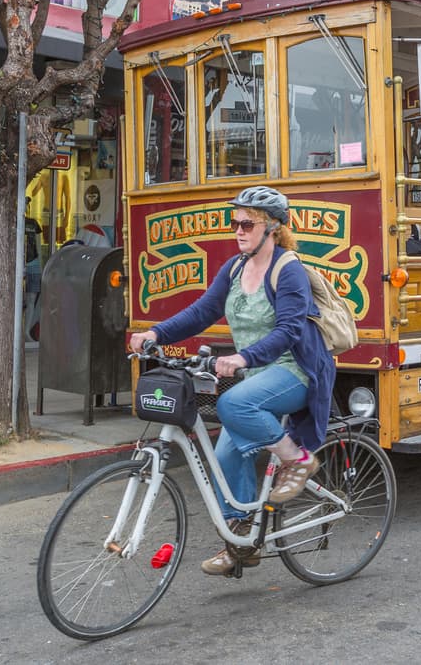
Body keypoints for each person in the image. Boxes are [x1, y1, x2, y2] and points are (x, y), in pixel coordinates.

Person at [128, 185, 335, 577]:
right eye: (234, 221)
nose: (237, 230)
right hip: (256, 375)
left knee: (231, 404)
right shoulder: (236, 268)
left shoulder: (287, 270)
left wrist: (243, 356)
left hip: (296, 372)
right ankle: (242, 542)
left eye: (247, 223)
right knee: (224, 456)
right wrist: (157, 334)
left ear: (272, 227)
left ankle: (298, 459)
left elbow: (290, 331)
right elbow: (202, 311)